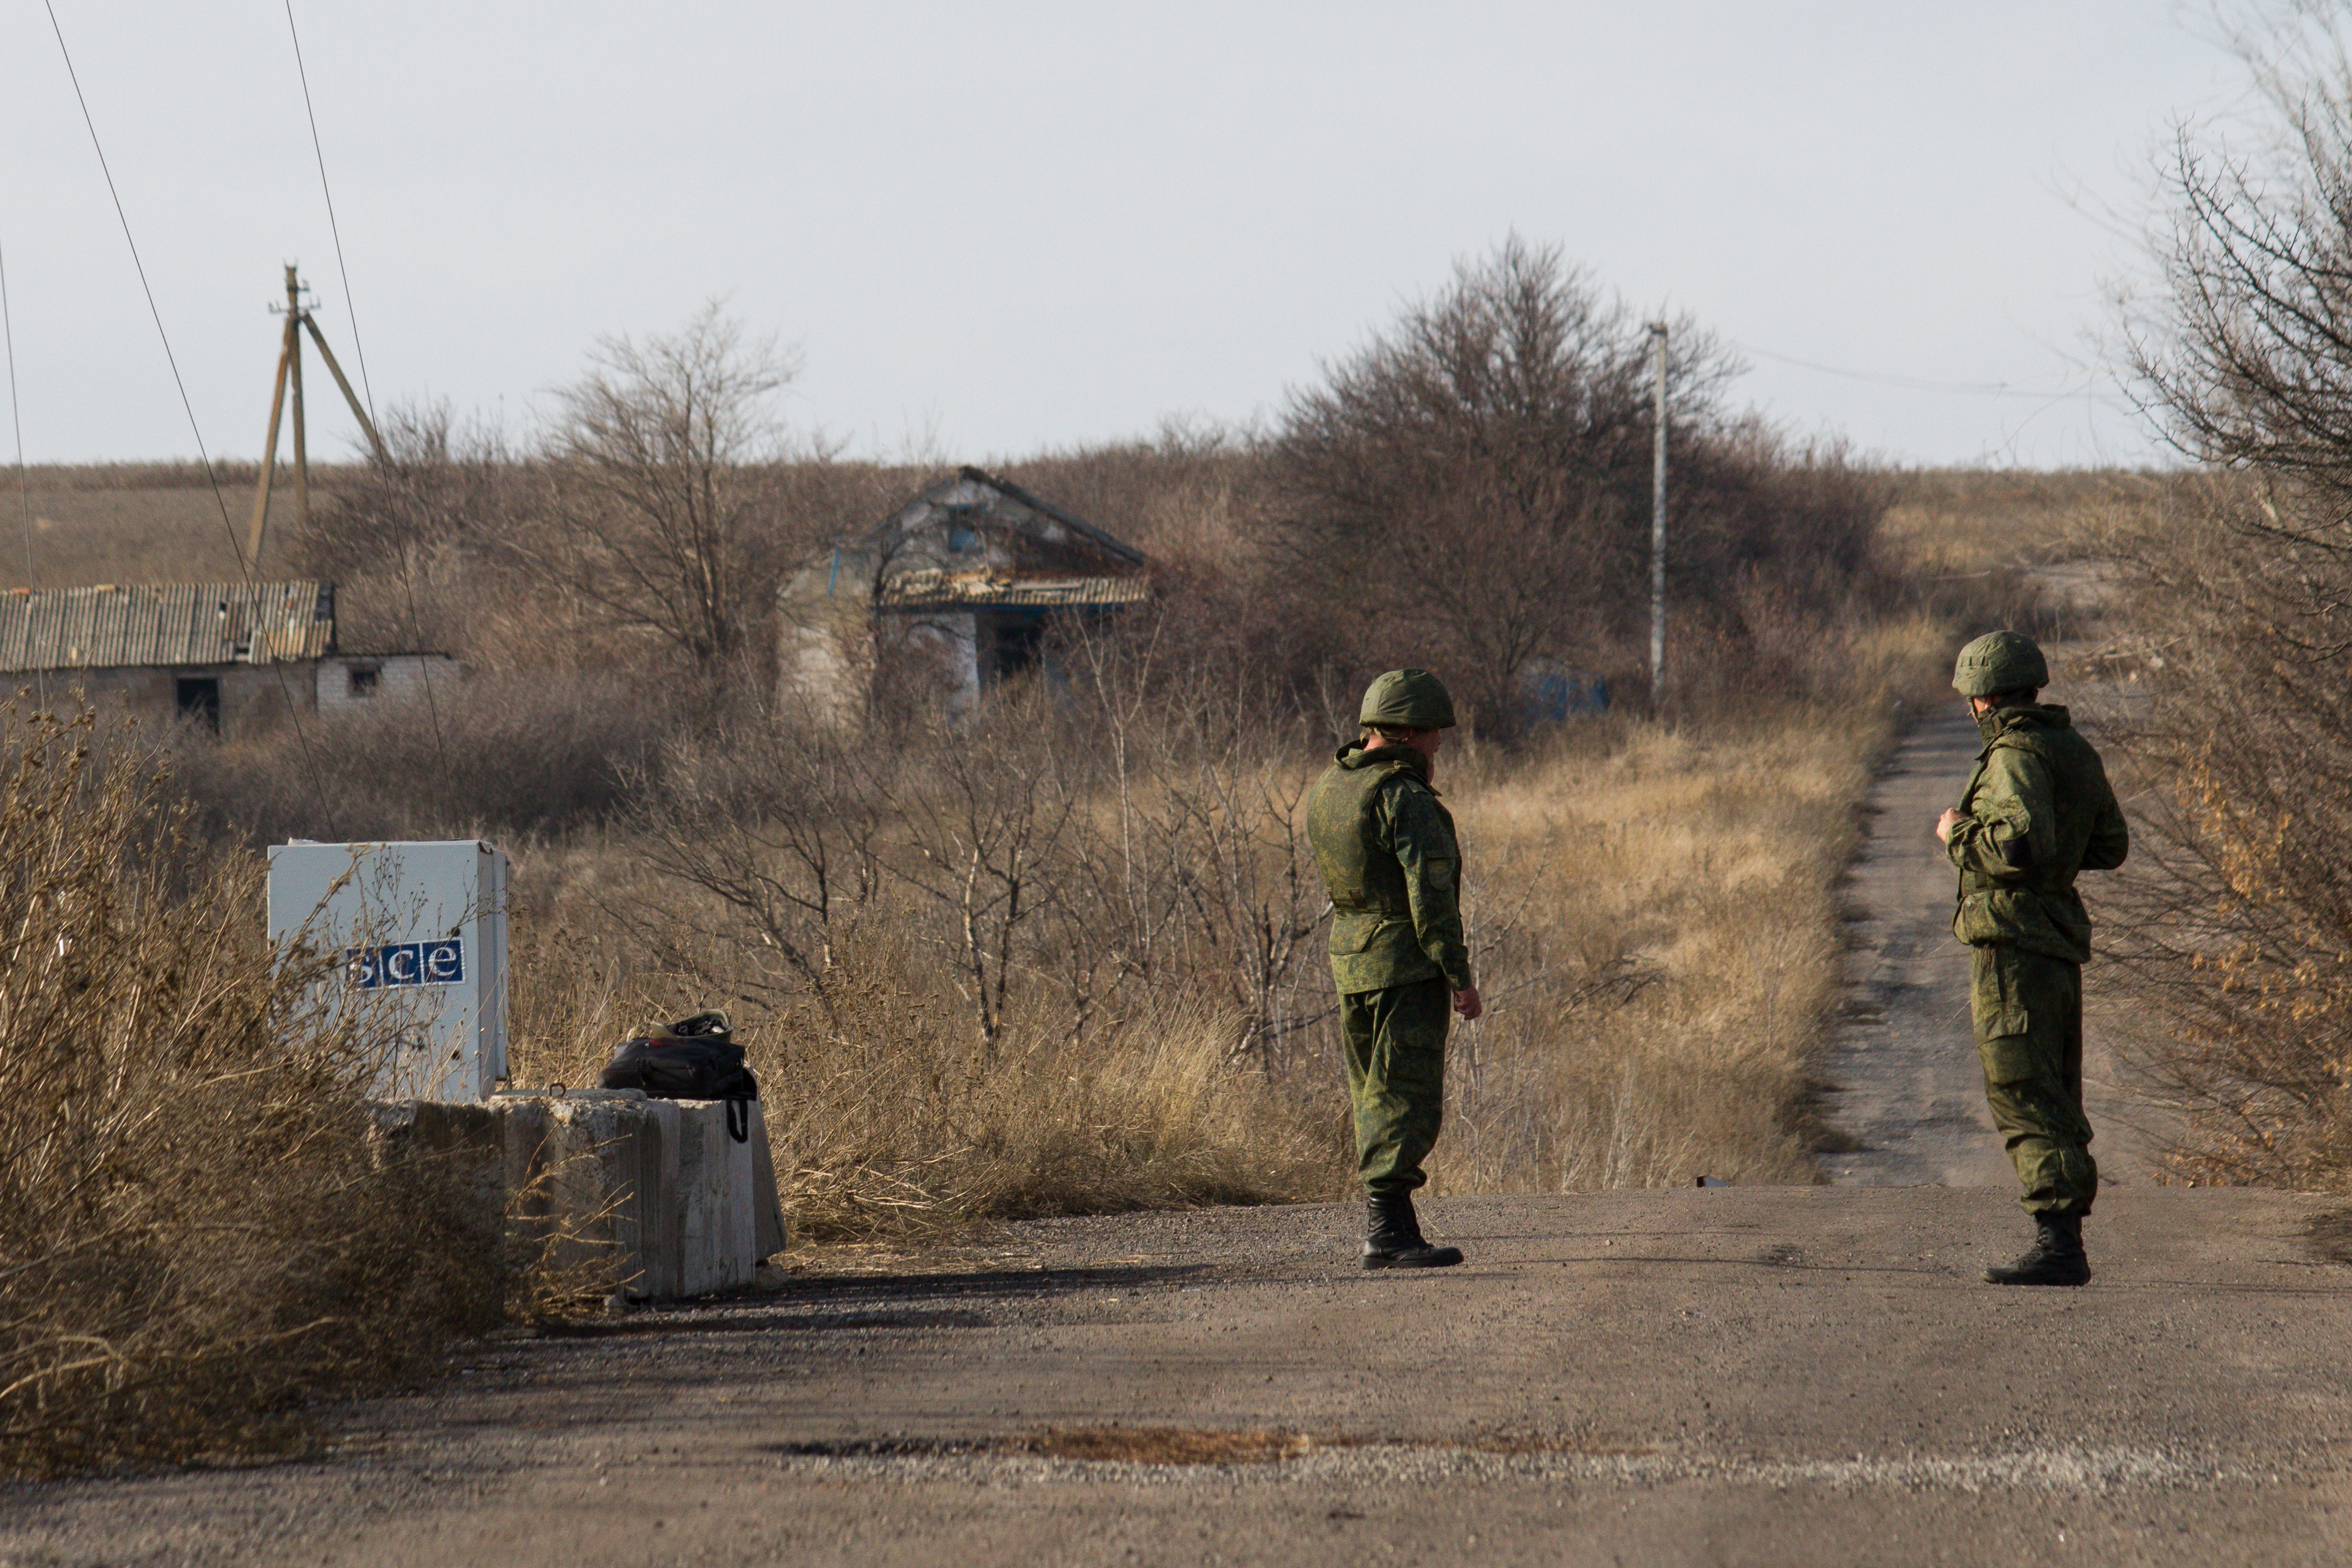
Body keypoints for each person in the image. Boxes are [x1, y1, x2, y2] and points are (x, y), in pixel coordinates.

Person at [1935, 630, 2129, 1287]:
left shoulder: (2014, 755)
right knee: (2053, 1086)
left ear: (1983, 698)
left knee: (2024, 1086)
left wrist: (1957, 831)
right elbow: (2107, 845)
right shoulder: (2070, 748)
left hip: (2013, 942)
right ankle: (2063, 1234)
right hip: (2053, 939)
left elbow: (2017, 847)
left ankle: (2058, 1241)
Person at [1305, 668, 1483, 1270]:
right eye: (1434, 732)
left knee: (1372, 1091)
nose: (1439, 743)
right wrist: (1458, 976)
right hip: (1403, 965)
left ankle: (1397, 1228)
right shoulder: (1402, 797)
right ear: (1408, 731)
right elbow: (1430, 901)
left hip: (1351, 959)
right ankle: (1387, 1234)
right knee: (1403, 1094)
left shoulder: (1333, 785)